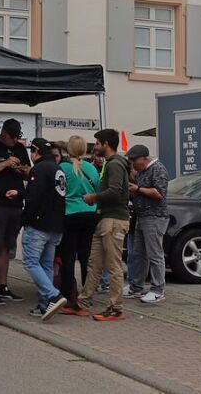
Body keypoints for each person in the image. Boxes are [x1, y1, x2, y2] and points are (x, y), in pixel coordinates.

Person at [77, 129, 131, 321]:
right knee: (94, 263)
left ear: (106, 144)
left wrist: (94, 197)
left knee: (113, 265)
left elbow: (115, 191)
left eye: (98, 143)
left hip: (114, 220)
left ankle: (116, 308)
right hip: (105, 219)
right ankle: (83, 301)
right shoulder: (112, 164)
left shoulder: (115, 164)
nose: (96, 147)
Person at [0, 118, 30, 304]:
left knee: (6, 246)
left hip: (15, 204)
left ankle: (3, 285)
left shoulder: (20, 148)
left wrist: (21, 169)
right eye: (12, 137)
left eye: (18, 137)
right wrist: (6, 163)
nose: (15, 141)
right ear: (4, 133)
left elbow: (27, 172)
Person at [21, 138, 68, 320]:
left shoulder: (39, 169)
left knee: (31, 262)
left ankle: (53, 295)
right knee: (46, 264)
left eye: (31, 152)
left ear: (36, 151)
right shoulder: (58, 169)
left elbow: (34, 198)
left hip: (39, 224)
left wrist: (23, 220)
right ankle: (45, 304)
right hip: (57, 224)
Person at [56, 135, 100, 316]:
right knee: (86, 255)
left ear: (67, 149)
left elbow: (58, 191)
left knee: (67, 256)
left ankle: (69, 297)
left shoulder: (63, 168)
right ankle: (87, 294)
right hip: (90, 214)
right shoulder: (92, 168)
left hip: (70, 214)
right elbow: (97, 189)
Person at [126, 145, 169, 304]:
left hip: (155, 217)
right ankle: (136, 287)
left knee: (155, 253)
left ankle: (158, 290)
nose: (133, 164)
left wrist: (137, 188)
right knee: (140, 254)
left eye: (134, 160)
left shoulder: (158, 169)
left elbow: (159, 194)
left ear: (145, 158)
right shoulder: (141, 171)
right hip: (142, 217)